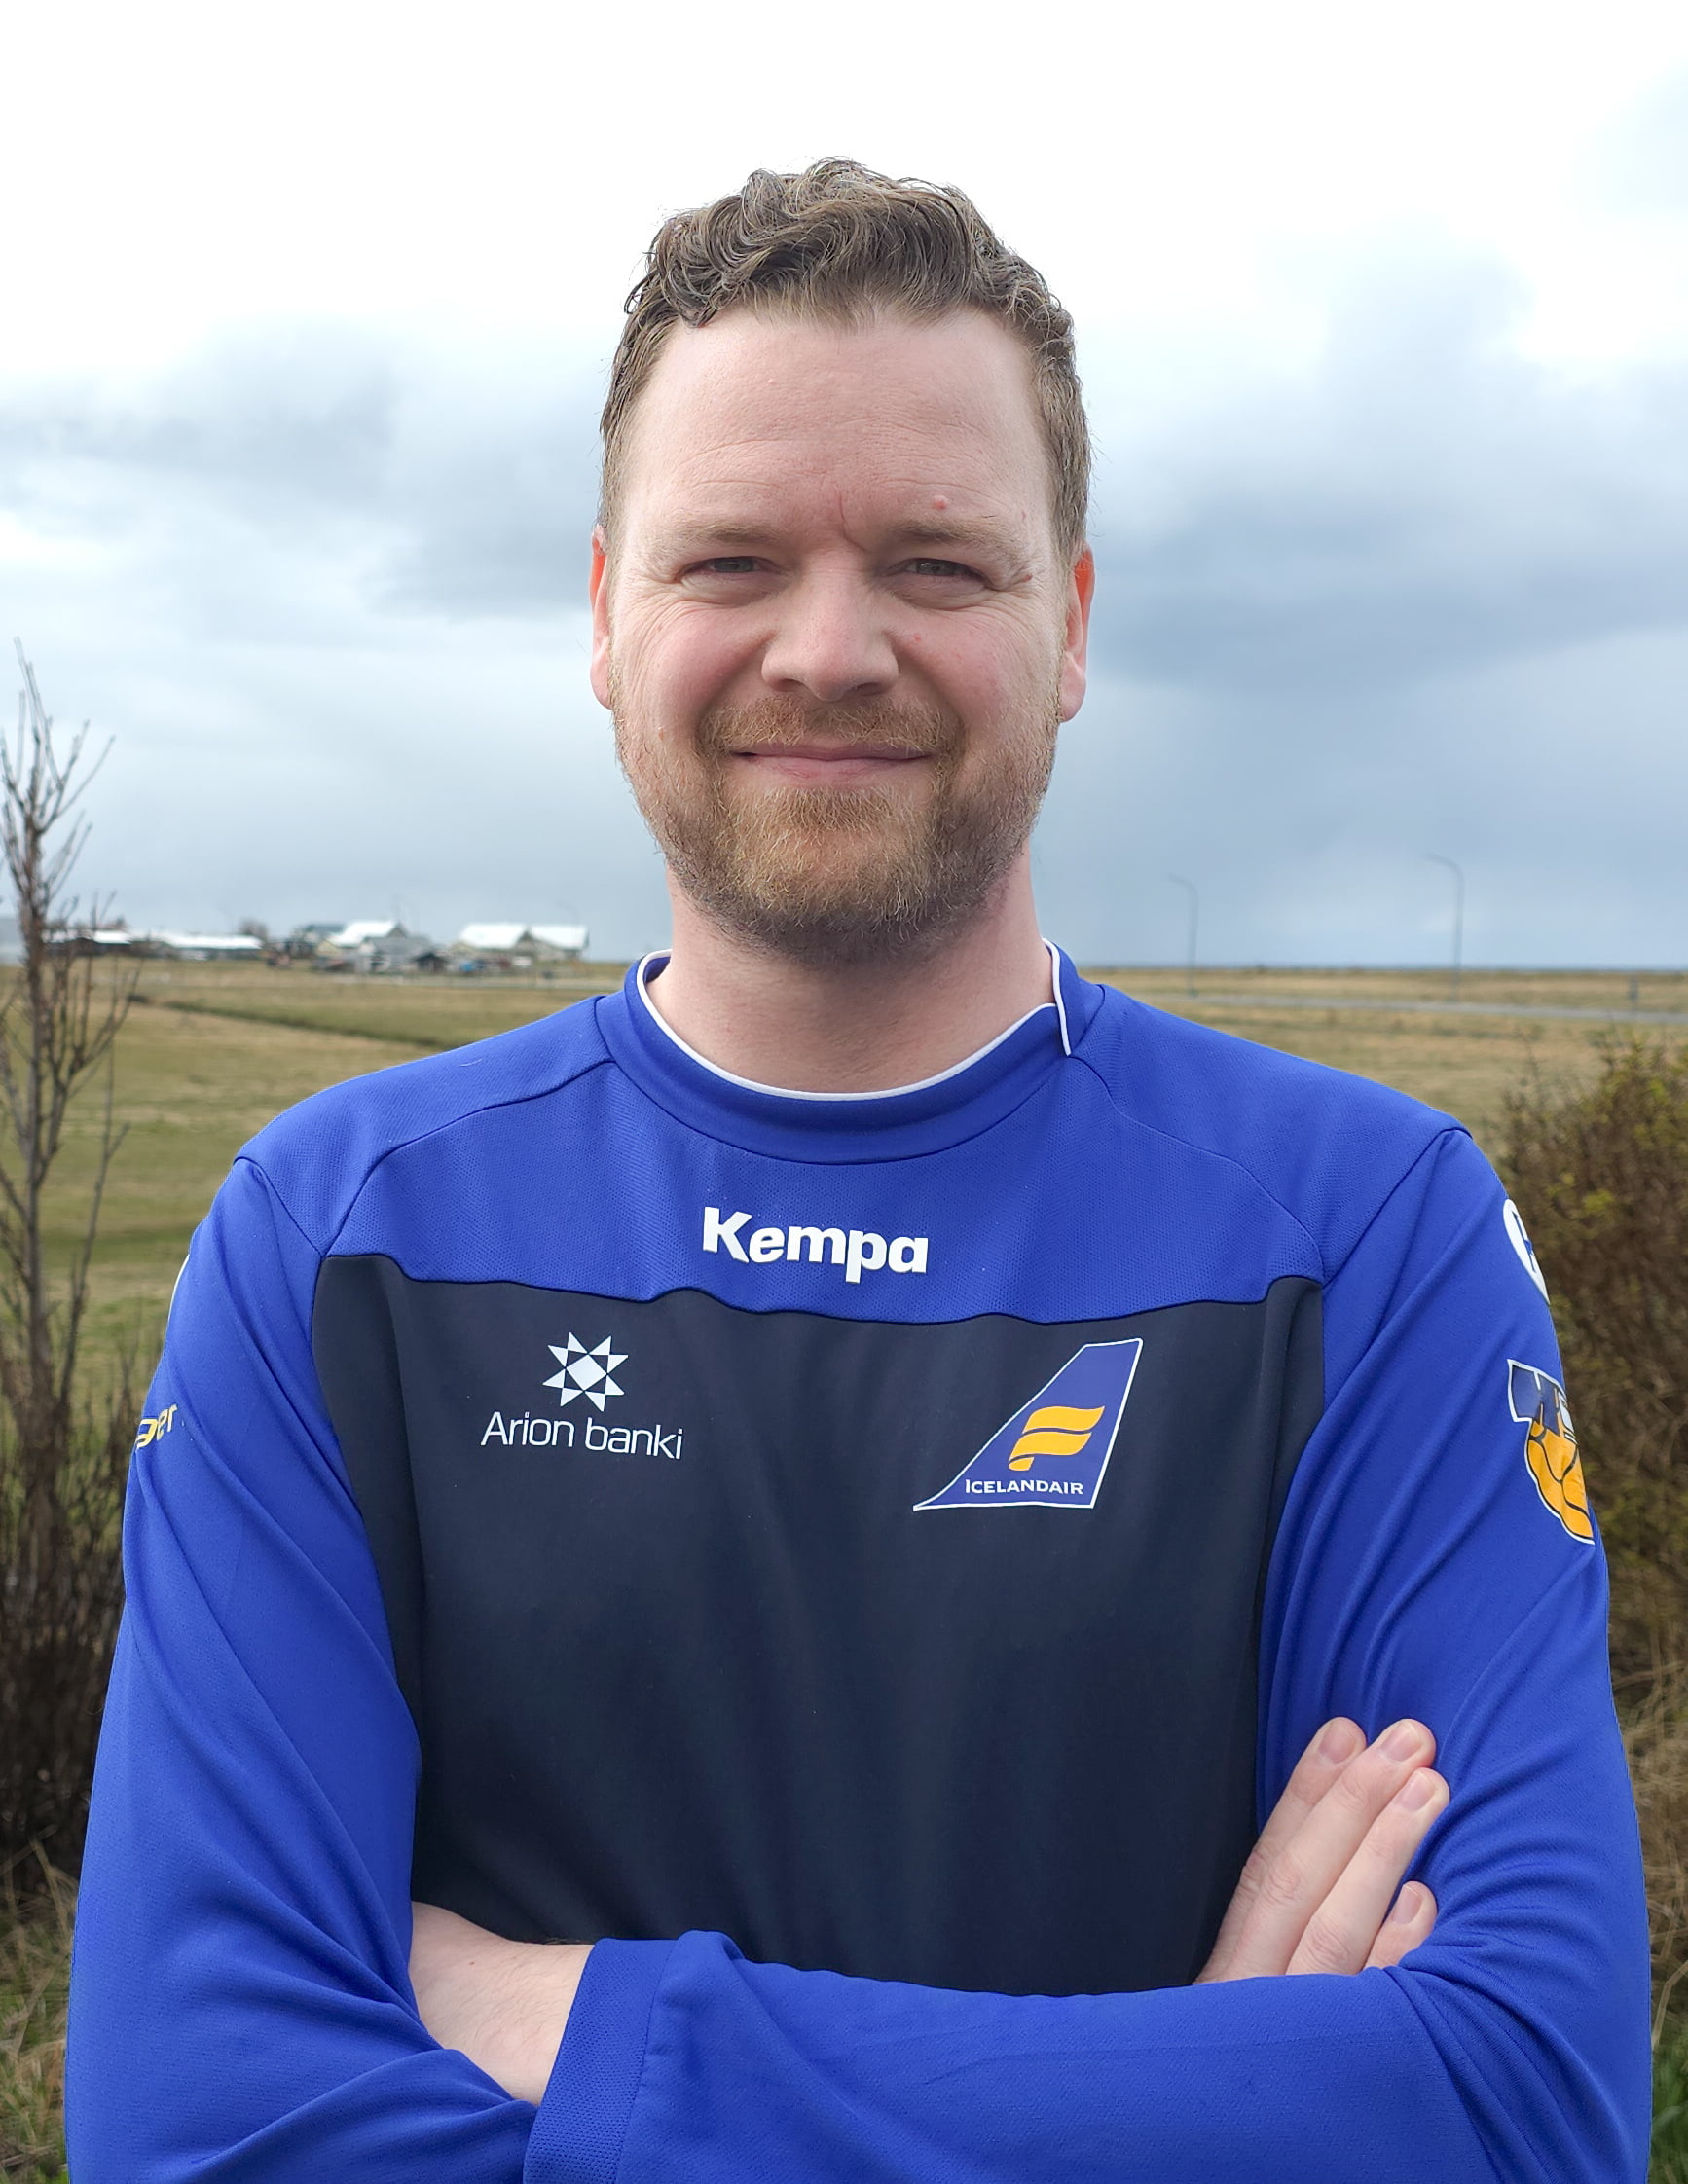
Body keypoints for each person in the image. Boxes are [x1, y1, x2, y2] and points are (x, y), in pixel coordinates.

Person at [67, 160, 1648, 2181]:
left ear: (1069, 626)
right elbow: (204, 2128)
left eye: (937, 564)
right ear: (606, 614)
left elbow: (1518, 2108)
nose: (828, 650)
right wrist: (1197, 2094)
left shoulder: (1366, 1236)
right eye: (730, 560)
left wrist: (593, 2027)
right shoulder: (336, 1240)